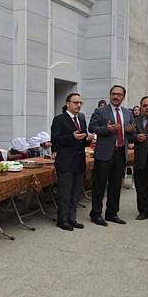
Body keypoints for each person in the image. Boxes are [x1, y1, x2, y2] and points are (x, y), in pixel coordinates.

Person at [88, 85, 135, 226]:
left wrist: (131, 130)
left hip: (120, 153)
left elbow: (132, 132)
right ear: (110, 95)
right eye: (113, 94)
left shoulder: (128, 113)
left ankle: (112, 213)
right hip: (104, 153)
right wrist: (106, 129)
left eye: (119, 94)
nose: (116, 96)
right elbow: (91, 127)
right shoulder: (100, 111)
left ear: (123, 97)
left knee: (116, 185)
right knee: (99, 185)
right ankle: (96, 214)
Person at [50, 92, 93, 231]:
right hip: (65, 161)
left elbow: (81, 139)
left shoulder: (81, 118)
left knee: (76, 193)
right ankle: (62, 220)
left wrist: (87, 138)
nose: (78, 105)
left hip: (79, 161)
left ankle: (72, 218)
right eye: (75, 102)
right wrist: (71, 137)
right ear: (68, 104)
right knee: (65, 192)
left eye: (80, 103)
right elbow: (55, 140)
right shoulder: (59, 119)